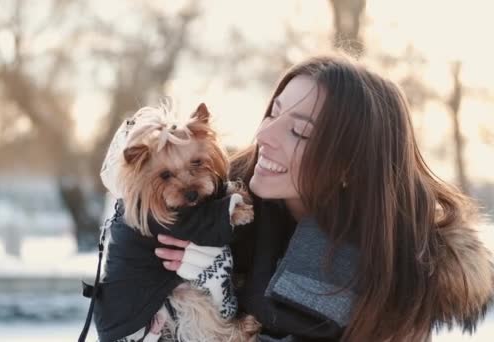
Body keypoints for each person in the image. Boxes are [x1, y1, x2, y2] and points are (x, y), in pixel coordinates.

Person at [155, 54, 494, 341]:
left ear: (350, 165)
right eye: (274, 111)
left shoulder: (399, 274)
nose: (263, 134)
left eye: (299, 132)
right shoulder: (201, 206)